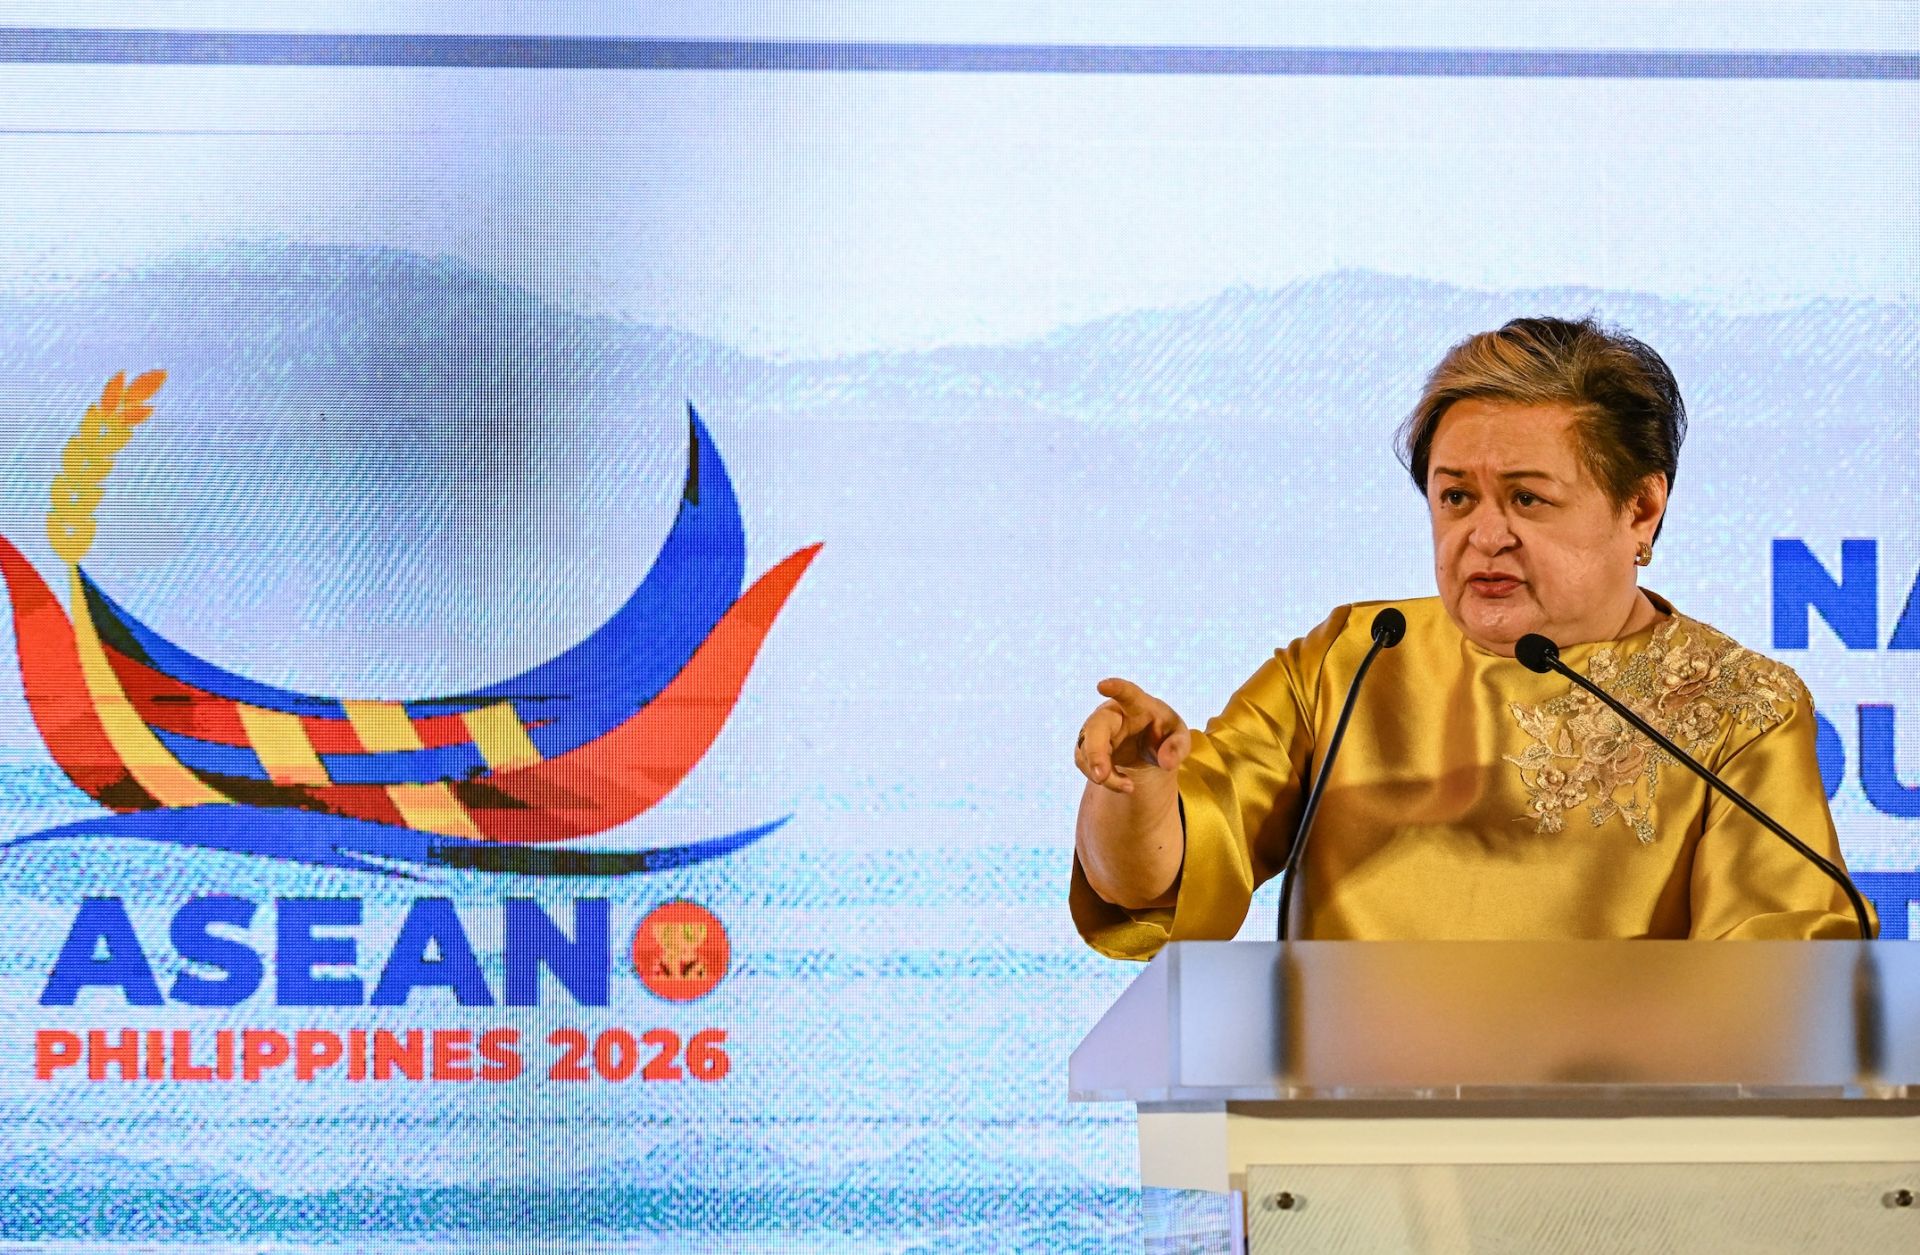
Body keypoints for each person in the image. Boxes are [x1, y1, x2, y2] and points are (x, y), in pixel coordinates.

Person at [1070, 316, 1869, 955]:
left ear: (1642, 508)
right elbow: (1153, 882)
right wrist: (1136, 787)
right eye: (1456, 498)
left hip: (1620, 1151)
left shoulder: (1740, 705)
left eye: (1527, 500)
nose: (1485, 535)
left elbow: (1781, 990)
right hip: (1347, 1146)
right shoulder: (1355, 657)